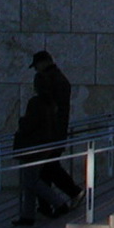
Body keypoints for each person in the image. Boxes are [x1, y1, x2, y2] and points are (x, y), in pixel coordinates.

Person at [30, 50, 84, 204]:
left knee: (48, 166)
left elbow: (44, 106)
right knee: (46, 168)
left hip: (48, 132)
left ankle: (73, 192)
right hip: (57, 131)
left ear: (43, 62)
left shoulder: (45, 79)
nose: (36, 69)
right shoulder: (60, 79)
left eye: (36, 66)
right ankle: (47, 205)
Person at [12, 93, 70, 226]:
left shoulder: (36, 103)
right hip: (43, 146)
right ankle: (28, 215)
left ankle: (59, 203)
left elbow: (28, 125)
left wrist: (21, 121)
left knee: (31, 181)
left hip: (33, 148)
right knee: (29, 181)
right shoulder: (51, 103)